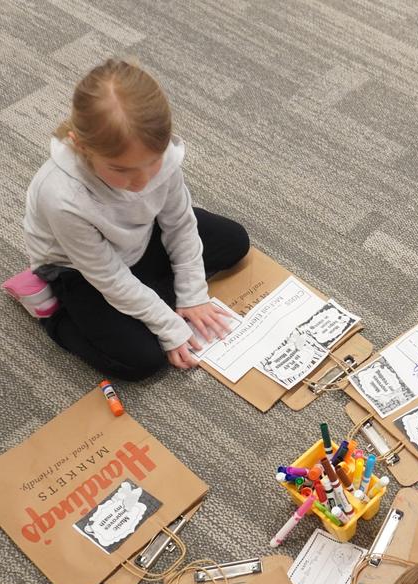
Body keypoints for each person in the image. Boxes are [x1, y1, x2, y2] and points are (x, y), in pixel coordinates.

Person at [22, 59, 249, 380]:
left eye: (152, 163)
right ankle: (56, 316)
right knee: (143, 360)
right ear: (81, 146)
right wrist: (168, 324)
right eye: (121, 170)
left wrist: (193, 294)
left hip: (138, 237)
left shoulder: (161, 155)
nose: (142, 182)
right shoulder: (62, 197)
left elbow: (180, 224)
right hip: (78, 269)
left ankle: (146, 295)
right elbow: (108, 277)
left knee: (235, 241)